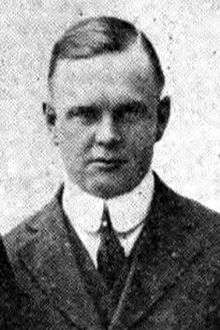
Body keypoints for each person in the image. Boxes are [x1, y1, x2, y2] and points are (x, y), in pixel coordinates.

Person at [3, 16, 220, 329]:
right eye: (85, 114)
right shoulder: (10, 262)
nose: (107, 135)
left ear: (161, 118)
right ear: (52, 122)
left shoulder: (213, 246)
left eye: (128, 113)